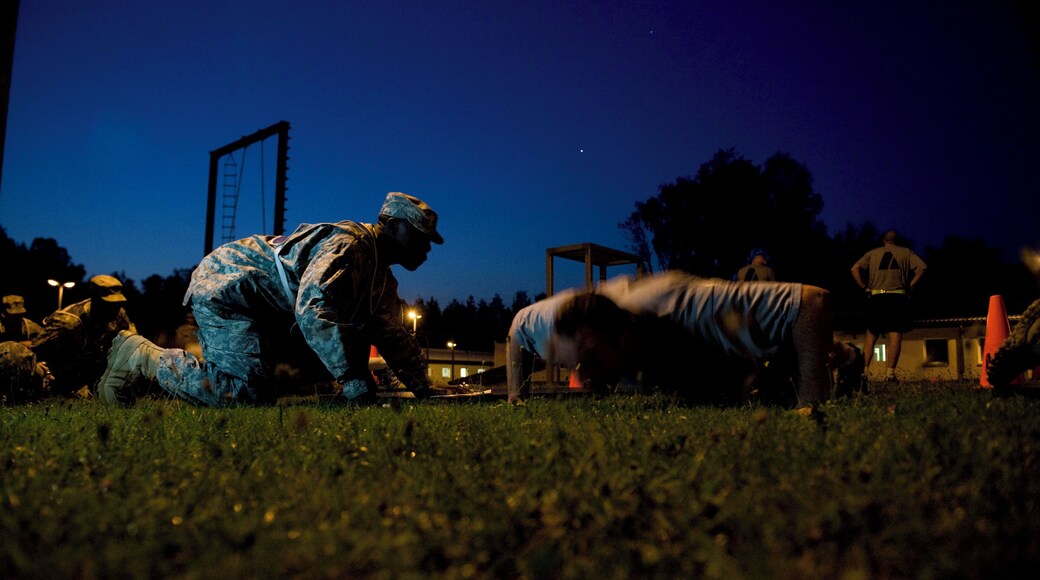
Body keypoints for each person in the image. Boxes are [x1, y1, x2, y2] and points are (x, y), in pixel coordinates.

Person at [98, 192, 443, 406]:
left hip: (251, 300)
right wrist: (353, 378)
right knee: (242, 394)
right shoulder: (350, 245)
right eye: (422, 237)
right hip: (227, 286)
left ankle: (135, 362)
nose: (427, 248)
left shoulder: (379, 276)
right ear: (395, 225)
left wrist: (424, 387)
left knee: (256, 392)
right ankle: (140, 355)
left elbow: (390, 333)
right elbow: (313, 306)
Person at [551, 271, 862, 409]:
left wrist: (809, 404)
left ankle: (848, 357)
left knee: (782, 350)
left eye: (591, 359)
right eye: (576, 366)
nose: (585, 378)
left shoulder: (689, 308)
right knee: (755, 390)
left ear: (625, 335)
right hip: (730, 364)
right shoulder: (621, 364)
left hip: (763, 342)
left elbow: (813, 302)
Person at [506, 276, 636, 402]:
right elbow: (585, 374)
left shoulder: (606, 317)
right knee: (517, 400)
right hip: (521, 331)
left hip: (555, 330)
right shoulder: (578, 331)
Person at [28, 275, 136, 398]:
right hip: (61, 373)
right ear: (95, 299)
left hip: (90, 370)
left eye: (117, 303)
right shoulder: (69, 322)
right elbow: (36, 351)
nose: (114, 309)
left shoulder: (118, 314)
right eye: (108, 304)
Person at [850, 230, 927, 383]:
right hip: (898, 297)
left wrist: (863, 286)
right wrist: (911, 285)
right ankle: (890, 374)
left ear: (883, 240)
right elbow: (922, 267)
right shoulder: (906, 252)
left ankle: (864, 372)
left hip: (876, 296)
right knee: (895, 337)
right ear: (896, 241)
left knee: (871, 337)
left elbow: (854, 268)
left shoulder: (872, 253)